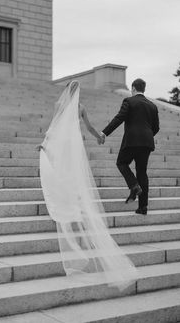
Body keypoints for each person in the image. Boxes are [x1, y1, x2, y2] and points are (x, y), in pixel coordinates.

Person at [37, 80, 137, 290]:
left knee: (65, 174)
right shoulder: (80, 107)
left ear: (66, 91)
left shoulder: (60, 105)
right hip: (73, 146)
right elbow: (89, 127)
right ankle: (73, 203)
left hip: (64, 145)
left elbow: (54, 125)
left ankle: (68, 203)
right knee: (72, 176)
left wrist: (46, 143)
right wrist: (99, 136)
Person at [100, 78, 160, 215]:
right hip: (147, 142)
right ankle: (143, 207)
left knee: (121, 162)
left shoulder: (129, 101)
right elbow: (156, 128)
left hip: (132, 140)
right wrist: (147, 135)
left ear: (133, 88)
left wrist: (104, 132)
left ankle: (134, 186)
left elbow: (119, 118)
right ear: (143, 89)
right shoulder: (152, 105)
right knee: (142, 172)